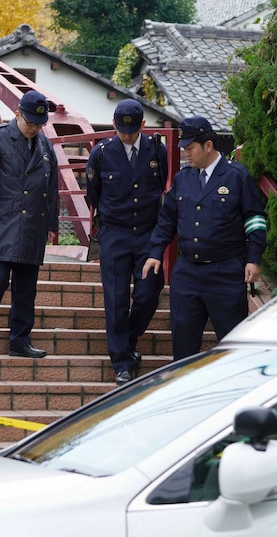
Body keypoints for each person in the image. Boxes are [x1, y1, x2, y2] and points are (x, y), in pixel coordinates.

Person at [142, 115, 267, 360]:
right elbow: (167, 219)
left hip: (226, 273)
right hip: (187, 273)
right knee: (183, 346)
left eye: (190, 148)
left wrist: (254, 258)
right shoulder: (183, 178)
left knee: (233, 347)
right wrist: (155, 252)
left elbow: (255, 219)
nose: (186, 153)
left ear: (208, 146)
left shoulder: (236, 177)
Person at [0, 90, 59, 358]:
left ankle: (20, 340)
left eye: (39, 124)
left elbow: (51, 187)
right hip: (0, 223)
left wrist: (51, 223)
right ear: (17, 114)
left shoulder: (44, 145)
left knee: (26, 288)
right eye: (30, 122)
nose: (34, 128)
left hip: (32, 227)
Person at [85, 99, 167, 386]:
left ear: (142, 126)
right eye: (122, 131)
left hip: (147, 232)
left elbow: (161, 184)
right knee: (117, 299)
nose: (127, 136)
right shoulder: (102, 153)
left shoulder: (157, 150)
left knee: (149, 291)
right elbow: (93, 193)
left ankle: (129, 338)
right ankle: (121, 361)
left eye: (132, 131)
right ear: (114, 125)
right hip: (115, 233)